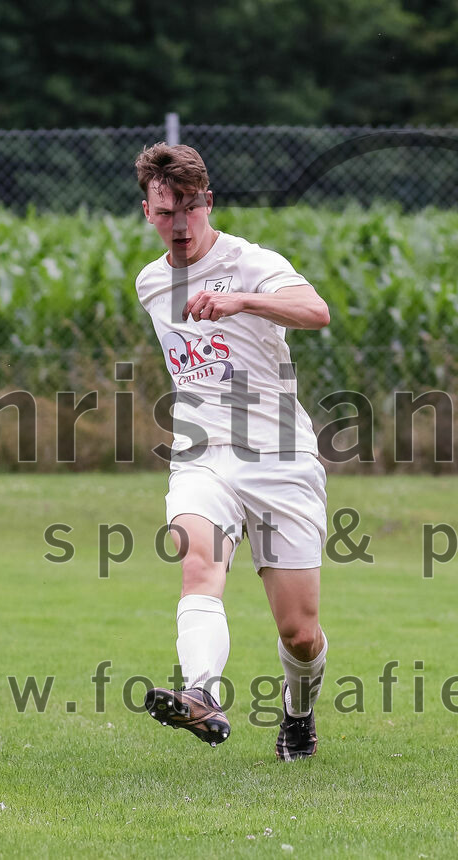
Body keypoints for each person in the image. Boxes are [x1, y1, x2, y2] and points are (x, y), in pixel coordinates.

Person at [133, 142, 330, 760]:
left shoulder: (251, 262)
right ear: (148, 213)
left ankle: (298, 715)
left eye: (190, 208)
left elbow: (316, 311)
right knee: (199, 563)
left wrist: (243, 301)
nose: (181, 225)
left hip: (278, 455)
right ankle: (200, 693)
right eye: (167, 213)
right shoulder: (150, 282)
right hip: (201, 453)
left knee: (299, 633)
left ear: (207, 203)